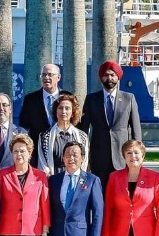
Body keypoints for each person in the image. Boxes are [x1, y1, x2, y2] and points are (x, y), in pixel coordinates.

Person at [79, 60, 143, 188]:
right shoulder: (91, 99)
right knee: (100, 196)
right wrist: (82, 154)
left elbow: (136, 130)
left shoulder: (128, 98)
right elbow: (83, 130)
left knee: (122, 195)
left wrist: (137, 154)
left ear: (118, 77)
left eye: (113, 75)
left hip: (122, 157)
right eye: (106, 75)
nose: (109, 78)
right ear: (101, 78)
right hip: (98, 157)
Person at [17, 63, 68, 159]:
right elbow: (23, 125)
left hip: (63, 152)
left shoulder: (68, 97)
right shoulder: (30, 99)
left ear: (58, 77)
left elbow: (75, 123)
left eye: (50, 74)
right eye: (43, 75)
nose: (46, 78)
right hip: (38, 154)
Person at [38, 93, 88, 176]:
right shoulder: (44, 136)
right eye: (60, 108)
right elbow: (42, 164)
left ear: (72, 113)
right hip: (52, 180)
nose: (63, 111)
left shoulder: (82, 136)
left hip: (75, 180)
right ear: (56, 111)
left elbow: (84, 162)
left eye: (67, 108)